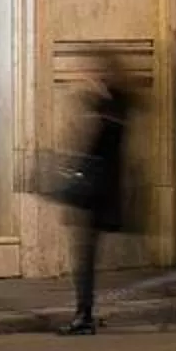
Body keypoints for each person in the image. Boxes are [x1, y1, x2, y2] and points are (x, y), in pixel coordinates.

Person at [57, 53, 134, 336]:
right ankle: (84, 312)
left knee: (86, 256)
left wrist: (94, 103)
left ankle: (84, 314)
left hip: (100, 191)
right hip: (99, 190)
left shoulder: (113, 106)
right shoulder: (111, 104)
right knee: (86, 255)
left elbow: (102, 144)